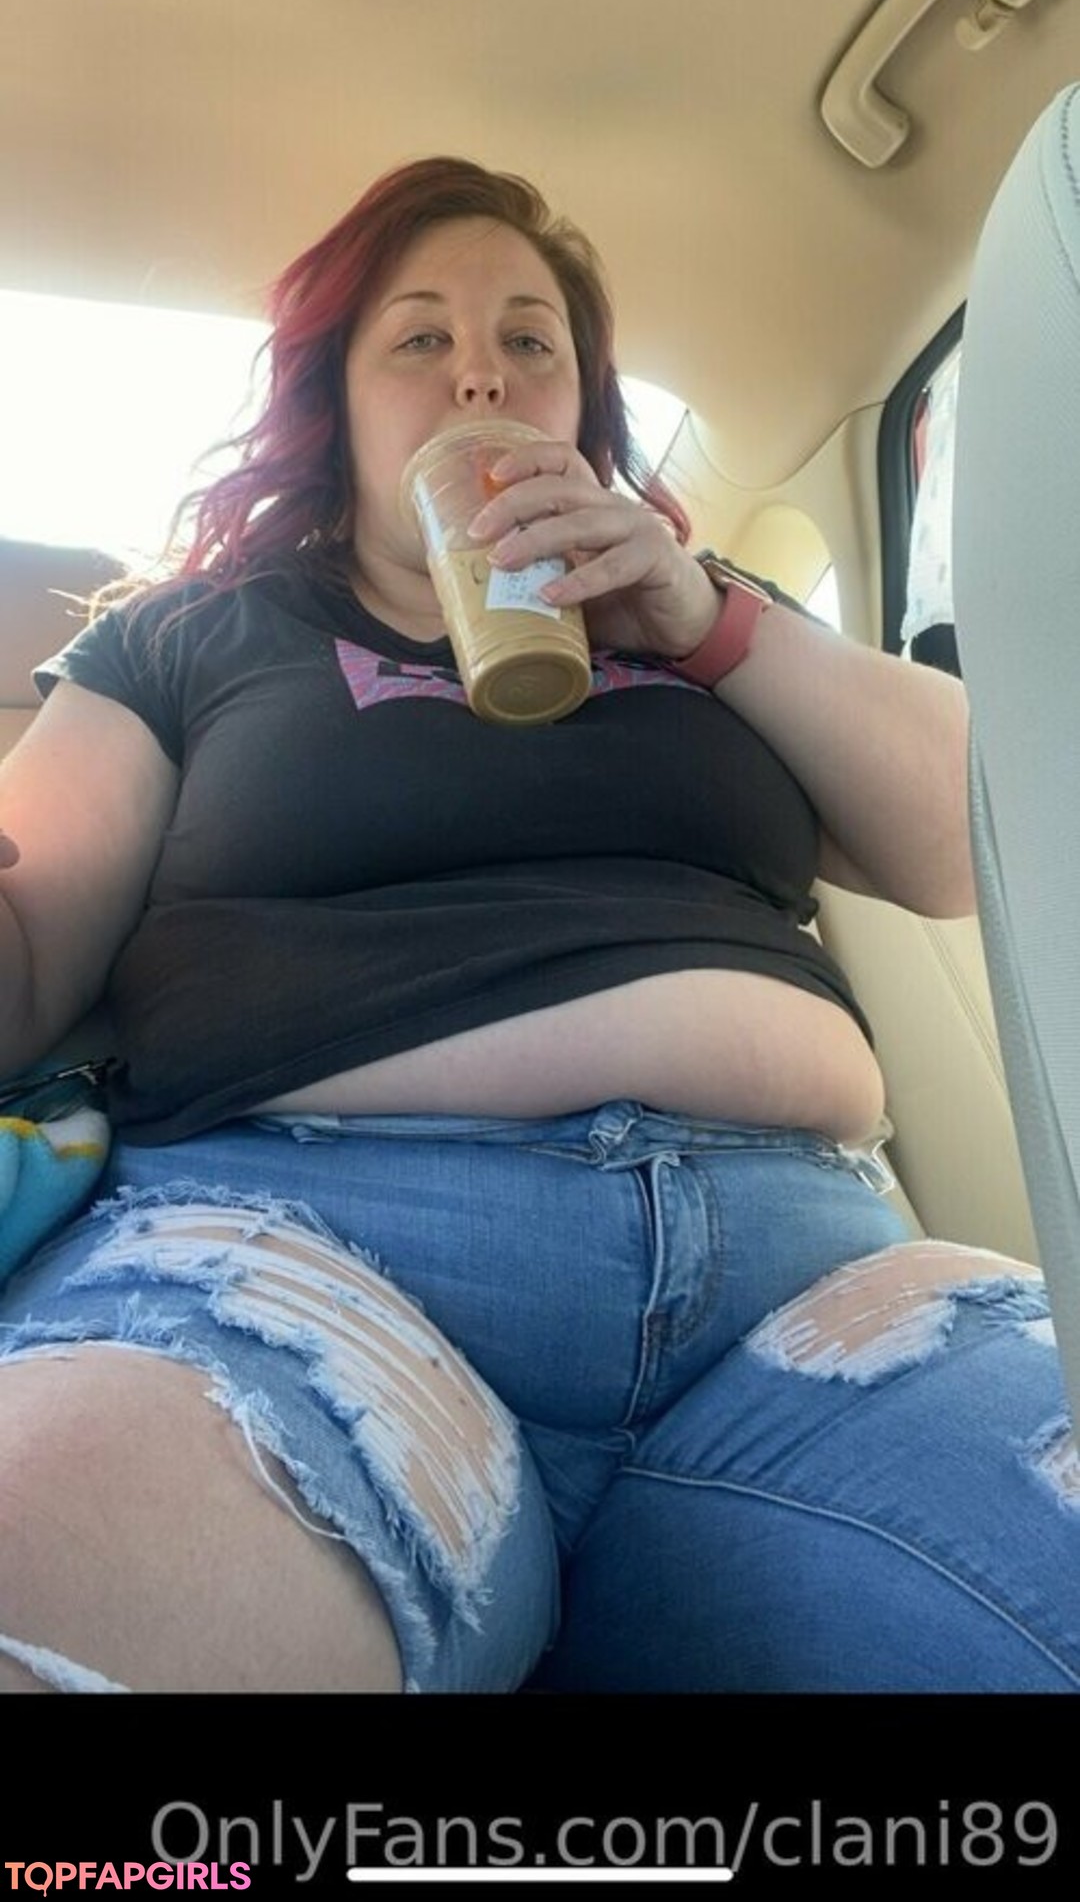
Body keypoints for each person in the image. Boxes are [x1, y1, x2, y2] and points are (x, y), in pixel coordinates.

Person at [0, 155, 1076, 1698]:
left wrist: (707, 618)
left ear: (582, 406)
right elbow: (28, 956)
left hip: (805, 1287)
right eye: (420, 337)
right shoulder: (190, 635)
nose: (481, 372)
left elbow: (979, 835)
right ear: (336, 400)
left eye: (529, 339)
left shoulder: (707, 616)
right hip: (312, 1251)